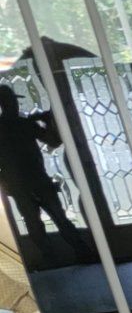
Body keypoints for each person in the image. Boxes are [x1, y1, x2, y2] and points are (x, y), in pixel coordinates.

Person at [0, 87, 91, 262]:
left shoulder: (20, 124)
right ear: (7, 103)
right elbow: (54, 141)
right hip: (37, 180)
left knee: (33, 222)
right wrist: (46, 120)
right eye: (12, 101)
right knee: (58, 218)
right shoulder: (24, 123)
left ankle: (51, 258)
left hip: (18, 184)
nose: (15, 104)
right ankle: (82, 253)